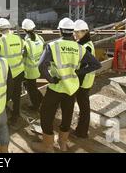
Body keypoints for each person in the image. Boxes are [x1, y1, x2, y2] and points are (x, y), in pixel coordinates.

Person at [32, 18, 101, 153]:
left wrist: (51, 79)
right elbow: (96, 64)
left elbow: (41, 66)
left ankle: (48, 146)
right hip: (71, 88)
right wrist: (78, 71)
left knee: (46, 114)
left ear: (60, 30)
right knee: (67, 115)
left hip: (56, 87)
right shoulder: (79, 48)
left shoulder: (53, 46)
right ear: (72, 32)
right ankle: (63, 144)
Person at [0, 18, 24, 125]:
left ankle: (2, 118)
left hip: (7, 74)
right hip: (19, 72)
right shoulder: (18, 38)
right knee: (16, 95)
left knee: (3, 96)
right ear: (9, 28)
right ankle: (15, 115)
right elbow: (24, 50)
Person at [73, 19, 96, 139]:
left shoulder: (86, 46)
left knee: (84, 108)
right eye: (74, 32)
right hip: (84, 80)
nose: (75, 34)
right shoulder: (84, 43)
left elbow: (83, 66)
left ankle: (82, 132)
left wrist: (76, 77)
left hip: (84, 81)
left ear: (85, 32)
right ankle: (81, 130)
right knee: (84, 107)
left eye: (78, 32)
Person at [21, 19, 45, 111]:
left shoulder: (26, 43)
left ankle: (36, 105)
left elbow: (23, 56)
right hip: (38, 67)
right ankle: (41, 100)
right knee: (32, 87)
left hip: (30, 70)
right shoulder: (40, 38)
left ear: (24, 30)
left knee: (31, 89)